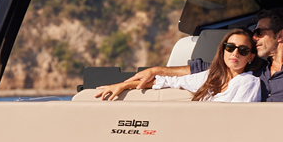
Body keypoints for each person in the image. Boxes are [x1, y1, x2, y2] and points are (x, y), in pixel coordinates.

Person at [110, 7, 283, 116]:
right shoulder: (256, 68)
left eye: (259, 33)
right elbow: (211, 69)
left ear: (281, 35)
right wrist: (156, 69)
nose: (254, 38)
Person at [94, 28, 261, 103]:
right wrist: (123, 85)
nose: (235, 53)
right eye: (230, 47)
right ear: (223, 50)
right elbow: (168, 81)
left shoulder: (249, 82)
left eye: (243, 50)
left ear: (251, 57)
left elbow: (236, 119)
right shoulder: (210, 77)